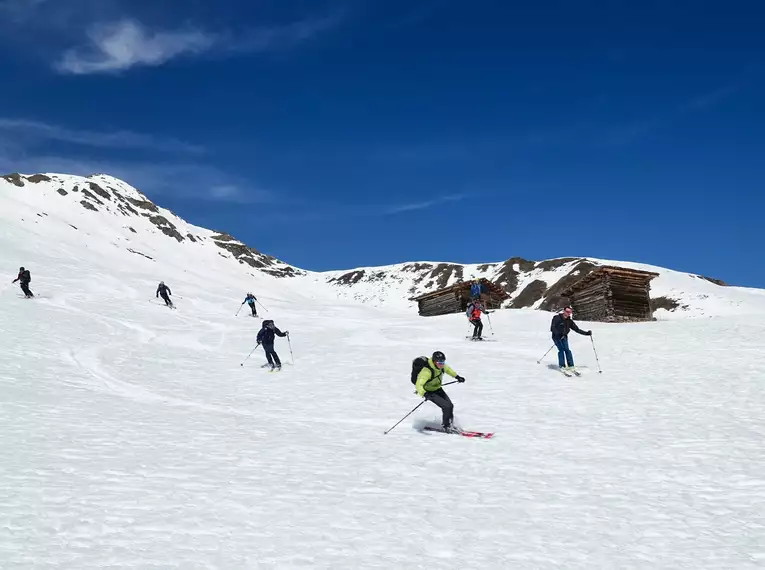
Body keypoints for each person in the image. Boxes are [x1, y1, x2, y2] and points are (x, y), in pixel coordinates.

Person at [415, 351, 466, 433]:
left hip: (438, 389)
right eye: (439, 362)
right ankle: (446, 427)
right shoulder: (426, 371)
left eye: (443, 362)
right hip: (429, 392)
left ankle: (450, 424)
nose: (441, 364)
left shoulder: (441, 366)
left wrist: (457, 377)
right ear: (434, 362)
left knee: (450, 405)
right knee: (446, 406)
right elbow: (419, 385)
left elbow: (448, 370)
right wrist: (425, 393)